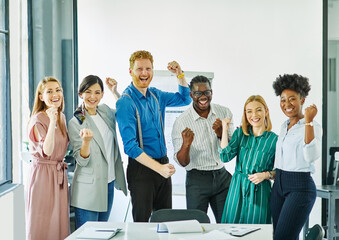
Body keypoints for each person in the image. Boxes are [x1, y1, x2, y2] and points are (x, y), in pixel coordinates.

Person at [115, 50, 191, 222]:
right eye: (139, 69)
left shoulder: (156, 95)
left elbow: (184, 99)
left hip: (162, 164)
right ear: (130, 71)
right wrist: (159, 169)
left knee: (164, 221)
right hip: (141, 170)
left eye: (148, 69)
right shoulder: (125, 102)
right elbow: (130, 147)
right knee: (141, 226)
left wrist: (180, 75)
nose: (144, 73)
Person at [171, 75, 233, 223]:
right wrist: (186, 144)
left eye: (207, 92)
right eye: (198, 93)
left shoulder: (224, 113)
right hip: (197, 180)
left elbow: (231, 151)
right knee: (195, 226)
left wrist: (220, 134)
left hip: (222, 177)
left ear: (212, 92)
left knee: (227, 224)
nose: (203, 97)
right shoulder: (181, 122)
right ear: (191, 95)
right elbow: (183, 162)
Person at [68, 75, 127, 229]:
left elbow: (125, 113)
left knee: (102, 232)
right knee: (88, 236)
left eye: (97, 92)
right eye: (88, 92)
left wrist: (114, 91)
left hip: (109, 181)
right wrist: (86, 142)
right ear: (81, 94)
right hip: (88, 188)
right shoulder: (76, 121)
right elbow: (82, 161)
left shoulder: (105, 111)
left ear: (102, 94)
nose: (92, 97)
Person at [271, 74, 322, 240]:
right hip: (278, 185)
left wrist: (308, 121)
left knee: (283, 237)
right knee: (279, 236)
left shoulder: (313, 125)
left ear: (302, 100)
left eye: (292, 99)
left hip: (300, 186)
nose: (287, 104)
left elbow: (311, 156)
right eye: (283, 100)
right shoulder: (283, 126)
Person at [219, 95, 278, 224]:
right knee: (231, 227)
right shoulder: (240, 134)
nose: (254, 115)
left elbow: (280, 171)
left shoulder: (275, 140)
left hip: (260, 191)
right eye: (249, 111)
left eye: (258, 110)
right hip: (237, 189)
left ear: (266, 111)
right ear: (245, 114)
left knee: (257, 229)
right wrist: (224, 129)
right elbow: (225, 156)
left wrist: (265, 175)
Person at [26, 77, 69, 240]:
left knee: (58, 225)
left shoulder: (62, 117)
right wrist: (51, 122)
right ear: (41, 96)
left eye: (58, 90)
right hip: (43, 178)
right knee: (43, 224)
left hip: (58, 177)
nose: (55, 94)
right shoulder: (38, 120)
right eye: (49, 91)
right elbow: (47, 150)